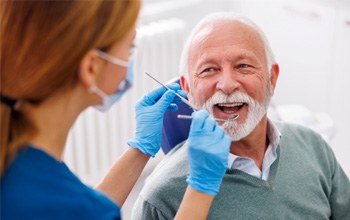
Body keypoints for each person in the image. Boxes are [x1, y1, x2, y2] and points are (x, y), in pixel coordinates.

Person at [0, 1, 232, 219]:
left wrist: (140, 149)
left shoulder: (21, 166)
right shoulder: (67, 204)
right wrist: (202, 186)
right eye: (130, 48)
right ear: (91, 67)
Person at [131, 12, 350, 219]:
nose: (227, 85)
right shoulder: (160, 199)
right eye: (209, 69)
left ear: (272, 79)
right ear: (187, 89)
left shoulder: (314, 147)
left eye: (243, 66)